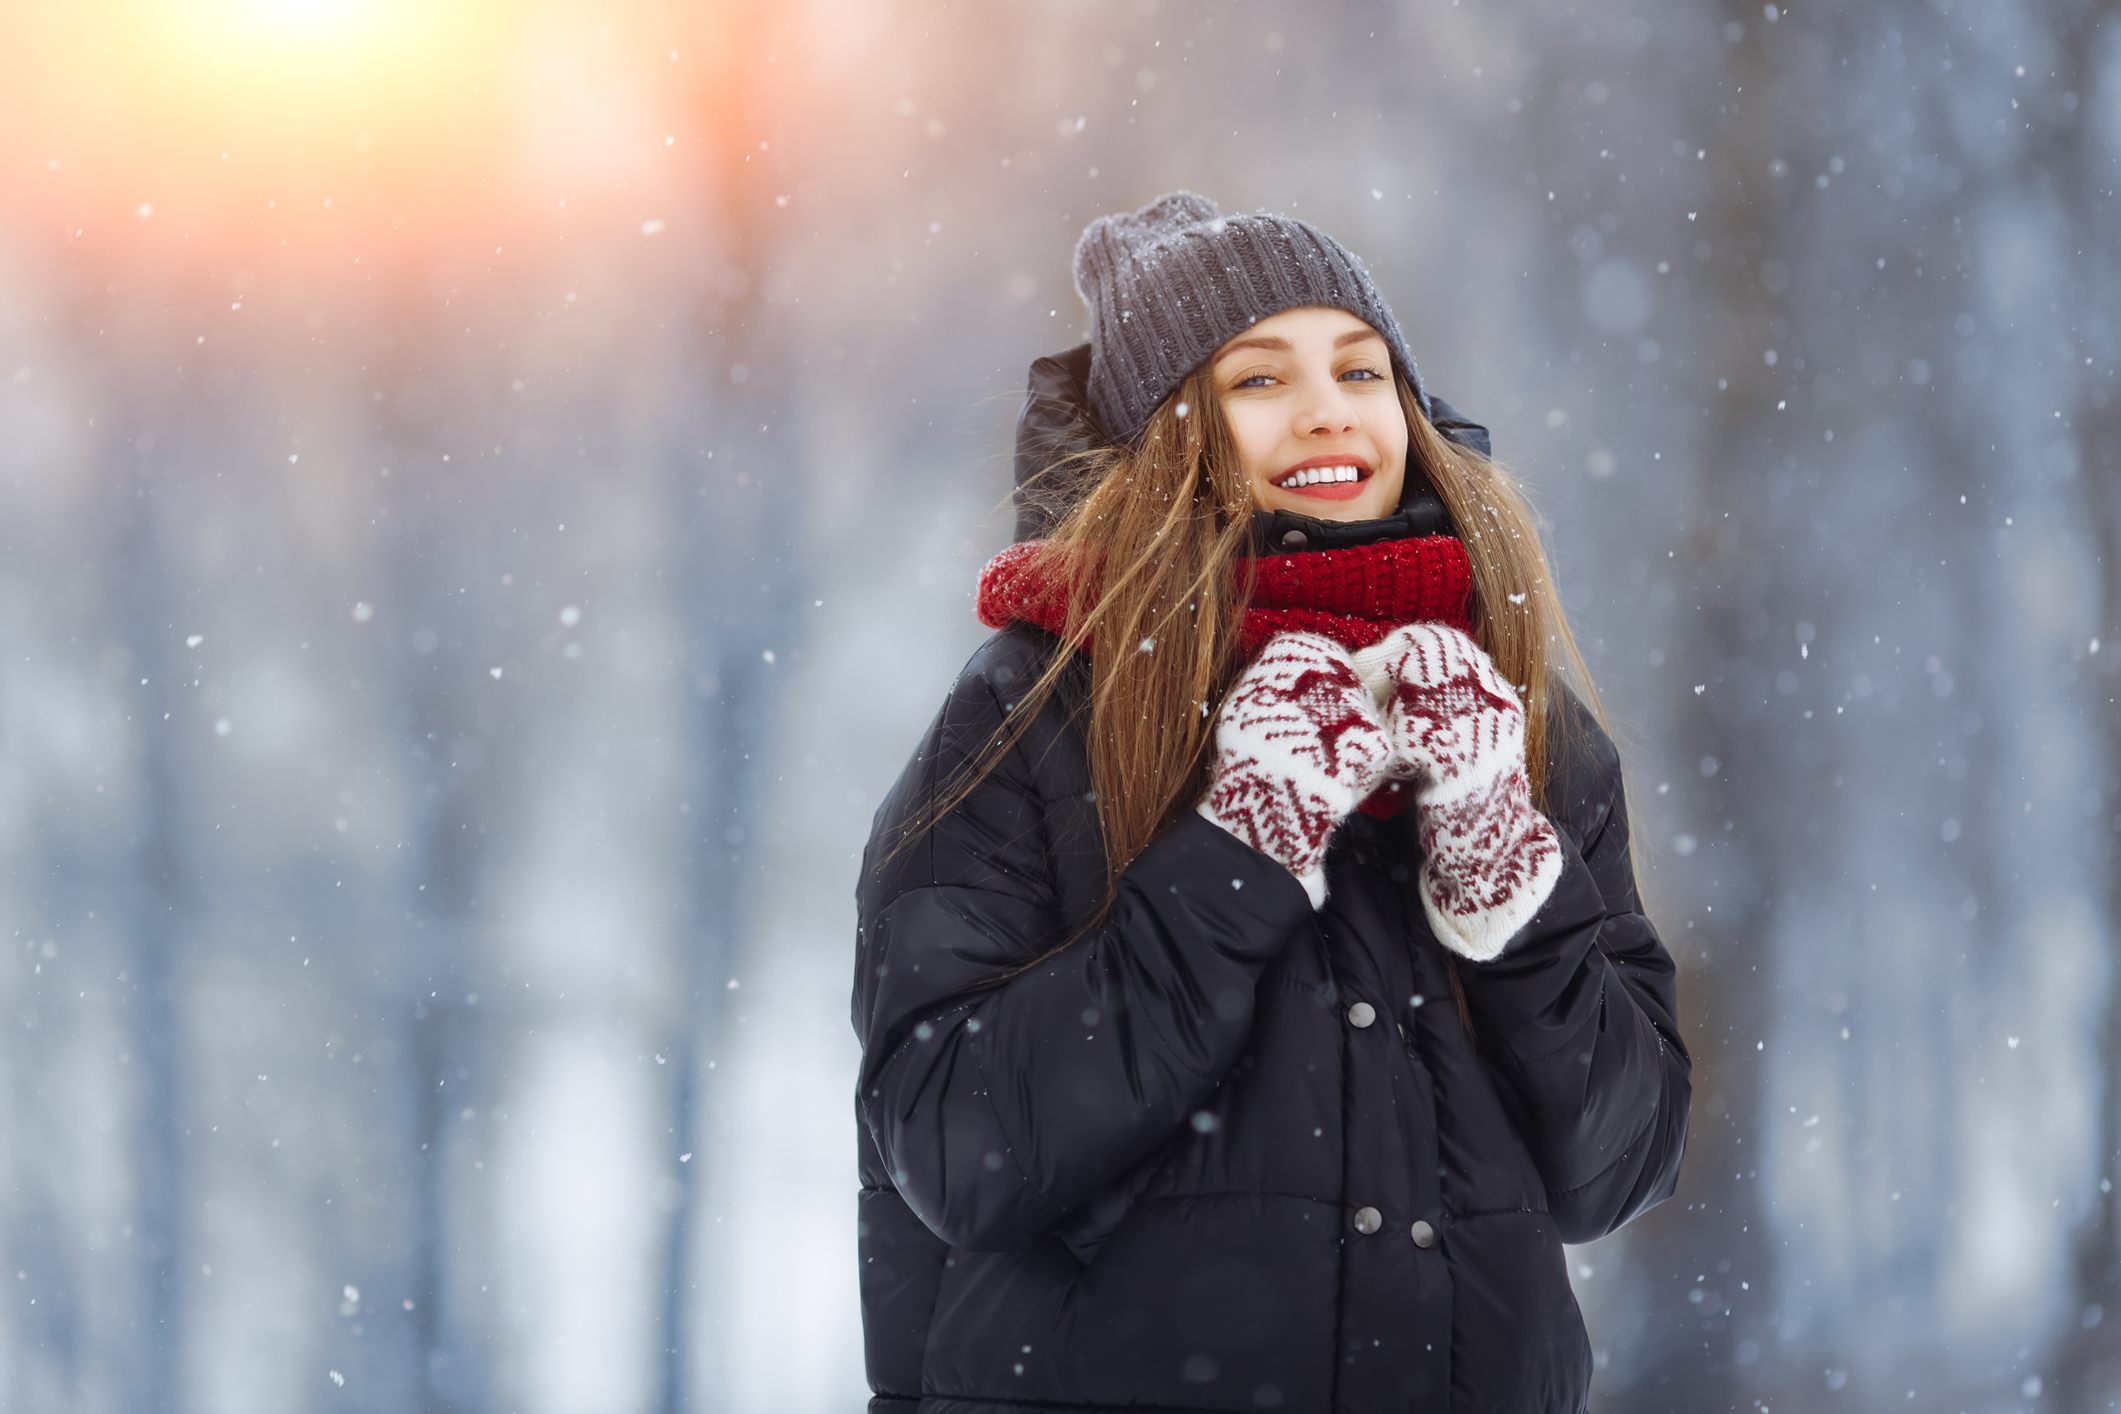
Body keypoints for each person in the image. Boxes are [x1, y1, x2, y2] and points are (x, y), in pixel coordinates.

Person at [851, 191, 1689, 1414]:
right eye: (1258, 380)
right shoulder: (1031, 713)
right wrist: (1237, 851)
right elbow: (951, 1147)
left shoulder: (1512, 721)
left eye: (1363, 369)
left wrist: (1511, 886)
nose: (1329, 410)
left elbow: (1618, 1164)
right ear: (1167, 433)